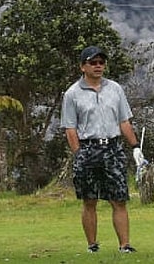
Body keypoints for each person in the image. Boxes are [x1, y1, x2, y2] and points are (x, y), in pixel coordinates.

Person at [61, 46, 146, 254]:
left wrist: (135, 147)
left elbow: (124, 121)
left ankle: (124, 245)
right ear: (83, 66)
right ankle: (92, 245)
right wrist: (79, 154)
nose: (98, 66)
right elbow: (70, 128)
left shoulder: (115, 88)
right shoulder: (72, 94)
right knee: (90, 199)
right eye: (93, 63)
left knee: (119, 199)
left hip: (113, 148)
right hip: (88, 148)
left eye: (101, 62)